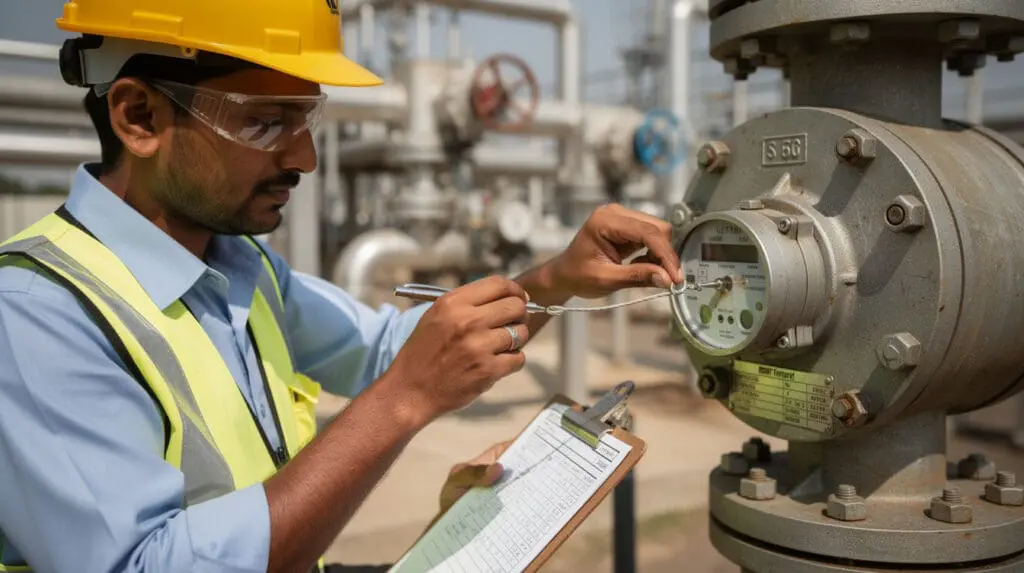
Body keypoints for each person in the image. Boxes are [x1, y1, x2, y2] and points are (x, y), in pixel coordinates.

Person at [0, 1, 684, 572]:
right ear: (139, 117)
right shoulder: (39, 314)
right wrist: (404, 400)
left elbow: (389, 350)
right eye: (264, 121)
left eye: (307, 117)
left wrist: (554, 278)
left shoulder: (241, 267)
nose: (305, 157)